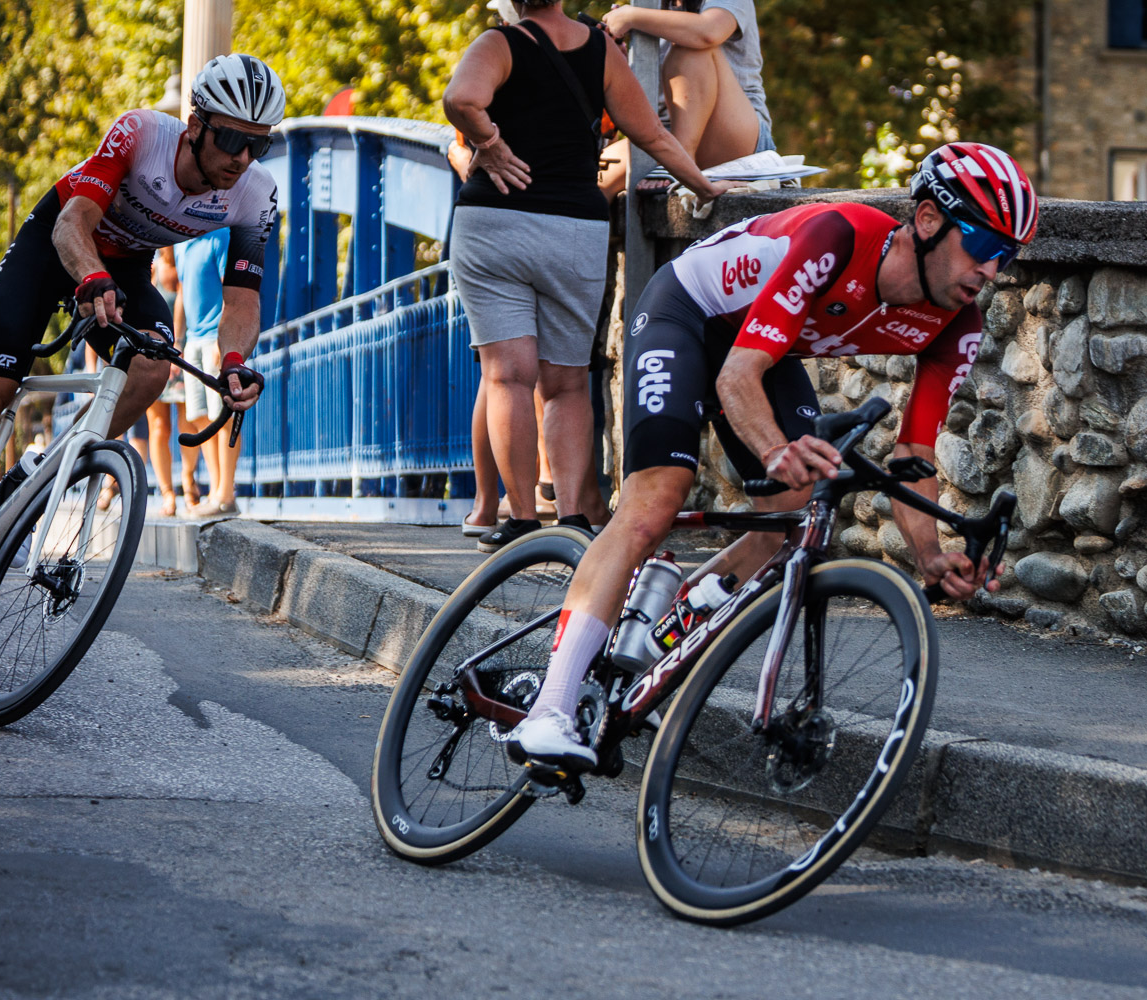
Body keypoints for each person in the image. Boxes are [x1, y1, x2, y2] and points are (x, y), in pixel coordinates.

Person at [506, 142, 1039, 768]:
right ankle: (548, 710)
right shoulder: (836, 236)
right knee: (655, 500)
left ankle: (665, 630)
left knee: (791, 517)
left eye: (1007, 255)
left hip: (763, 349)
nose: (992, 269)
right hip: (687, 313)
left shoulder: (958, 324)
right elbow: (737, 376)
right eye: (983, 245)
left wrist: (930, 557)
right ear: (927, 220)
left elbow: (914, 453)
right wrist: (774, 448)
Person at [443, 0, 732, 553]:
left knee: (508, 376)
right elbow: (653, 135)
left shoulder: (499, 44)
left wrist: (490, 146)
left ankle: (522, 521)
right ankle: (573, 517)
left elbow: (461, 99)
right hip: (573, 230)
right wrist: (705, 186)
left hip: (495, 225)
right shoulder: (602, 50)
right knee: (567, 381)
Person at [0, 54, 280, 522]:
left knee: (153, 366)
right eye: (231, 139)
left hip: (125, 267)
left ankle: (34, 484)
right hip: (58, 242)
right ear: (195, 126)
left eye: (257, 145)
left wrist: (234, 361)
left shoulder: (257, 194)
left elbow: (242, 299)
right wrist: (90, 274)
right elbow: (72, 222)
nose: (242, 158)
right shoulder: (142, 133)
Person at [597, 0, 773, 198]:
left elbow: (709, 31)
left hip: (733, 135)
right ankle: (675, 159)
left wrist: (631, 17)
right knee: (595, 179)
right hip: (663, 136)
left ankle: (681, 159)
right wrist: (617, 57)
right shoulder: (651, 5)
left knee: (691, 46)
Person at [174, 229, 243, 518]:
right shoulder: (181, 245)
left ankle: (226, 494)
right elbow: (182, 292)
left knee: (223, 416)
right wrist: (177, 341)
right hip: (192, 341)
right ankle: (216, 490)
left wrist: (224, 339)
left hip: (214, 337)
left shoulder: (220, 237)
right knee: (201, 418)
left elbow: (233, 289)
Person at [144, 245, 205, 516]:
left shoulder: (186, 261)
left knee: (188, 422)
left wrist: (178, 345)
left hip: (184, 355)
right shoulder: (152, 269)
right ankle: (167, 492)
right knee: (159, 427)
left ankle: (188, 478)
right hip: (155, 356)